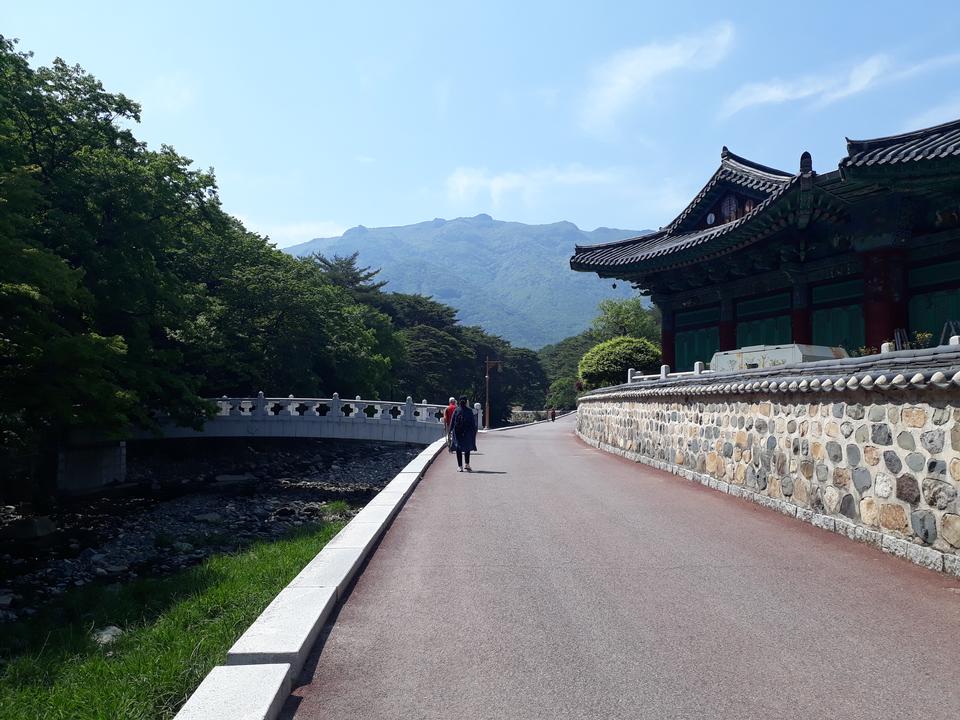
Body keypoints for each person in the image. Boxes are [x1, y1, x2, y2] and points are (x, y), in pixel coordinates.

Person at [449, 396, 478, 472]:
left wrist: (450, 431)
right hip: (467, 432)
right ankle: (467, 464)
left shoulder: (457, 410)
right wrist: (474, 432)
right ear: (466, 402)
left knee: (458, 448)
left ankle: (460, 466)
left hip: (457, 432)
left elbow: (452, 421)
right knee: (467, 448)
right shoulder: (469, 411)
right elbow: (473, 423)